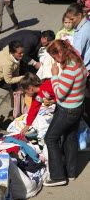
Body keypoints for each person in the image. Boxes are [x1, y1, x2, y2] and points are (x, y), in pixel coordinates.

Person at [43, 39, 87, 187]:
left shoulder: (70, 69)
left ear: (60, 53)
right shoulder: (77, 58)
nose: (55, 60)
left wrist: (55, 76)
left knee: (50, 138)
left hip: (67, 109)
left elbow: (60, 94)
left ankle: (57, 176)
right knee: (70, 138)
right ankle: (71, 172)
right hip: (78, 105)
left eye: (55, 57)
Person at [66, 3, 90, 71]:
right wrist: (70, 36)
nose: (70, 22)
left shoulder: (82, 31)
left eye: (72, 19)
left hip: (84, 67)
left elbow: (76, 53)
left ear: (79, 15)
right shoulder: (86, 24)